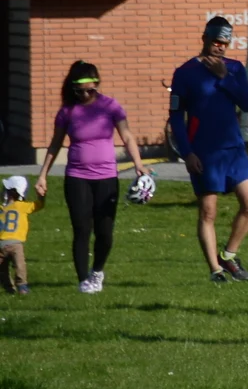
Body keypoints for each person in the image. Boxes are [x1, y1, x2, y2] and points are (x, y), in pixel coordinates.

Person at [35, 61, 142, 293]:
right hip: (77, 176)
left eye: (90, 90)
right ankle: (83, 280)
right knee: (81, 229)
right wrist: (42, 175)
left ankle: (97, 271)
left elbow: (128, 136)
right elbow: (54, 145)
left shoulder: (110, 106)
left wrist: (138, 165)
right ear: (73, 89)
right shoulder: (67, 111)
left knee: (105, 231)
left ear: (97, 85)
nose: (85, 95)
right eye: (80, 91)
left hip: (106, 177)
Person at [169, 16, 248, 282]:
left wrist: (224, 77)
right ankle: (215, 270)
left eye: (225, 43)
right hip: (204, 152)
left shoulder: (234, 68)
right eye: (216, 41)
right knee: (208, 211)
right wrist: (187, 153)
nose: (220, 47)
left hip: (234, 149)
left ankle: (229, 255)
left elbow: (247, 102)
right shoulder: (184, 73)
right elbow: (176, 117)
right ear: (204, 39)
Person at [0, 175, 38, 295]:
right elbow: (38, 205)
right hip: (16, 243)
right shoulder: (22, 206)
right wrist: (42, 196)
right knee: (19, 265)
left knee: (2, 269)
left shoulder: (1, 209)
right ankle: (22, 286)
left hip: (1, 243)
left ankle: (9, 287)